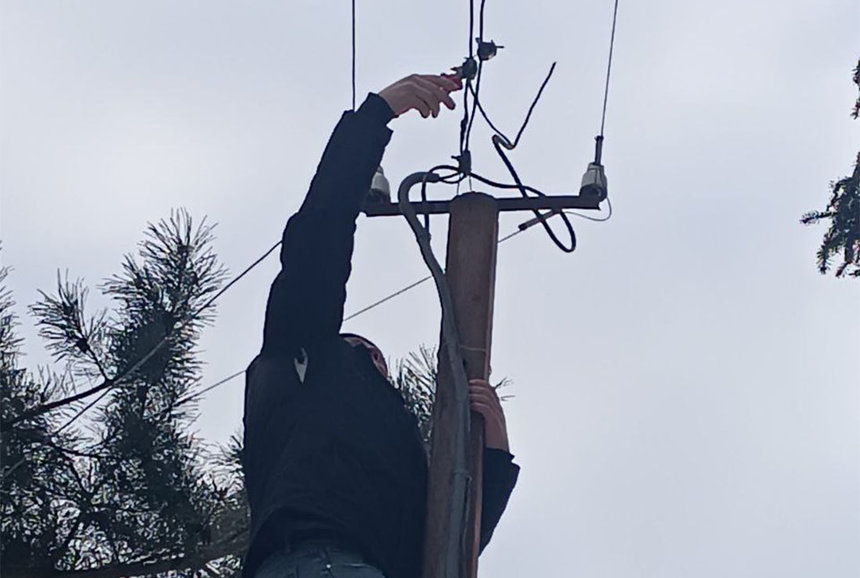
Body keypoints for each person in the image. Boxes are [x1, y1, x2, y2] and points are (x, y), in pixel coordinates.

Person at [242, 71, 520, 578]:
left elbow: (450, 543)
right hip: (316, 563)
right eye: (361, 351)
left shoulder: (388, 457)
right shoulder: (300, 352)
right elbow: (319, 239)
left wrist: (495, 454)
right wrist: (374, 118)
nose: (375, 360)